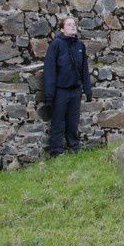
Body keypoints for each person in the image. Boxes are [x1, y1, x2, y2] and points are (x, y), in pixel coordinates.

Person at [43, 16, 92, 156]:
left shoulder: (80, 46)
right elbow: (50, 70)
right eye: (69, 24)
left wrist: (87, 90)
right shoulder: (56, 45)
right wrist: (49, 94)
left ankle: (74, 148)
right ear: (62, 28)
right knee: (58, 122)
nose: (72, 26)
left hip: (75, 90)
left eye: (74, 24)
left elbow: (84, 69)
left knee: (73, 122)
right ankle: (56, 152)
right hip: (61, 90)